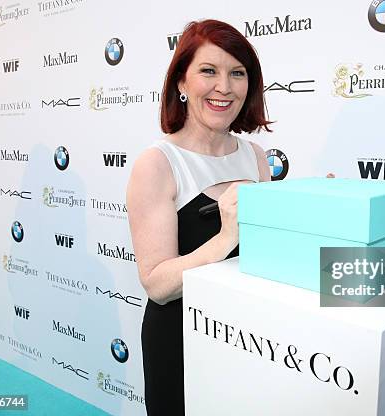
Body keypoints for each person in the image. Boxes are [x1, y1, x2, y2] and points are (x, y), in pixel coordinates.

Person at [126, 19, 272, 415]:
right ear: (181, 83)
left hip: (248, 335)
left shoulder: (256, 156)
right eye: (208, 71)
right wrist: (224, 238)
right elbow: (157, 284)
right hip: (180, 340)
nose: (224, 87)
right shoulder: (157, 163)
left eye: (237, 73)